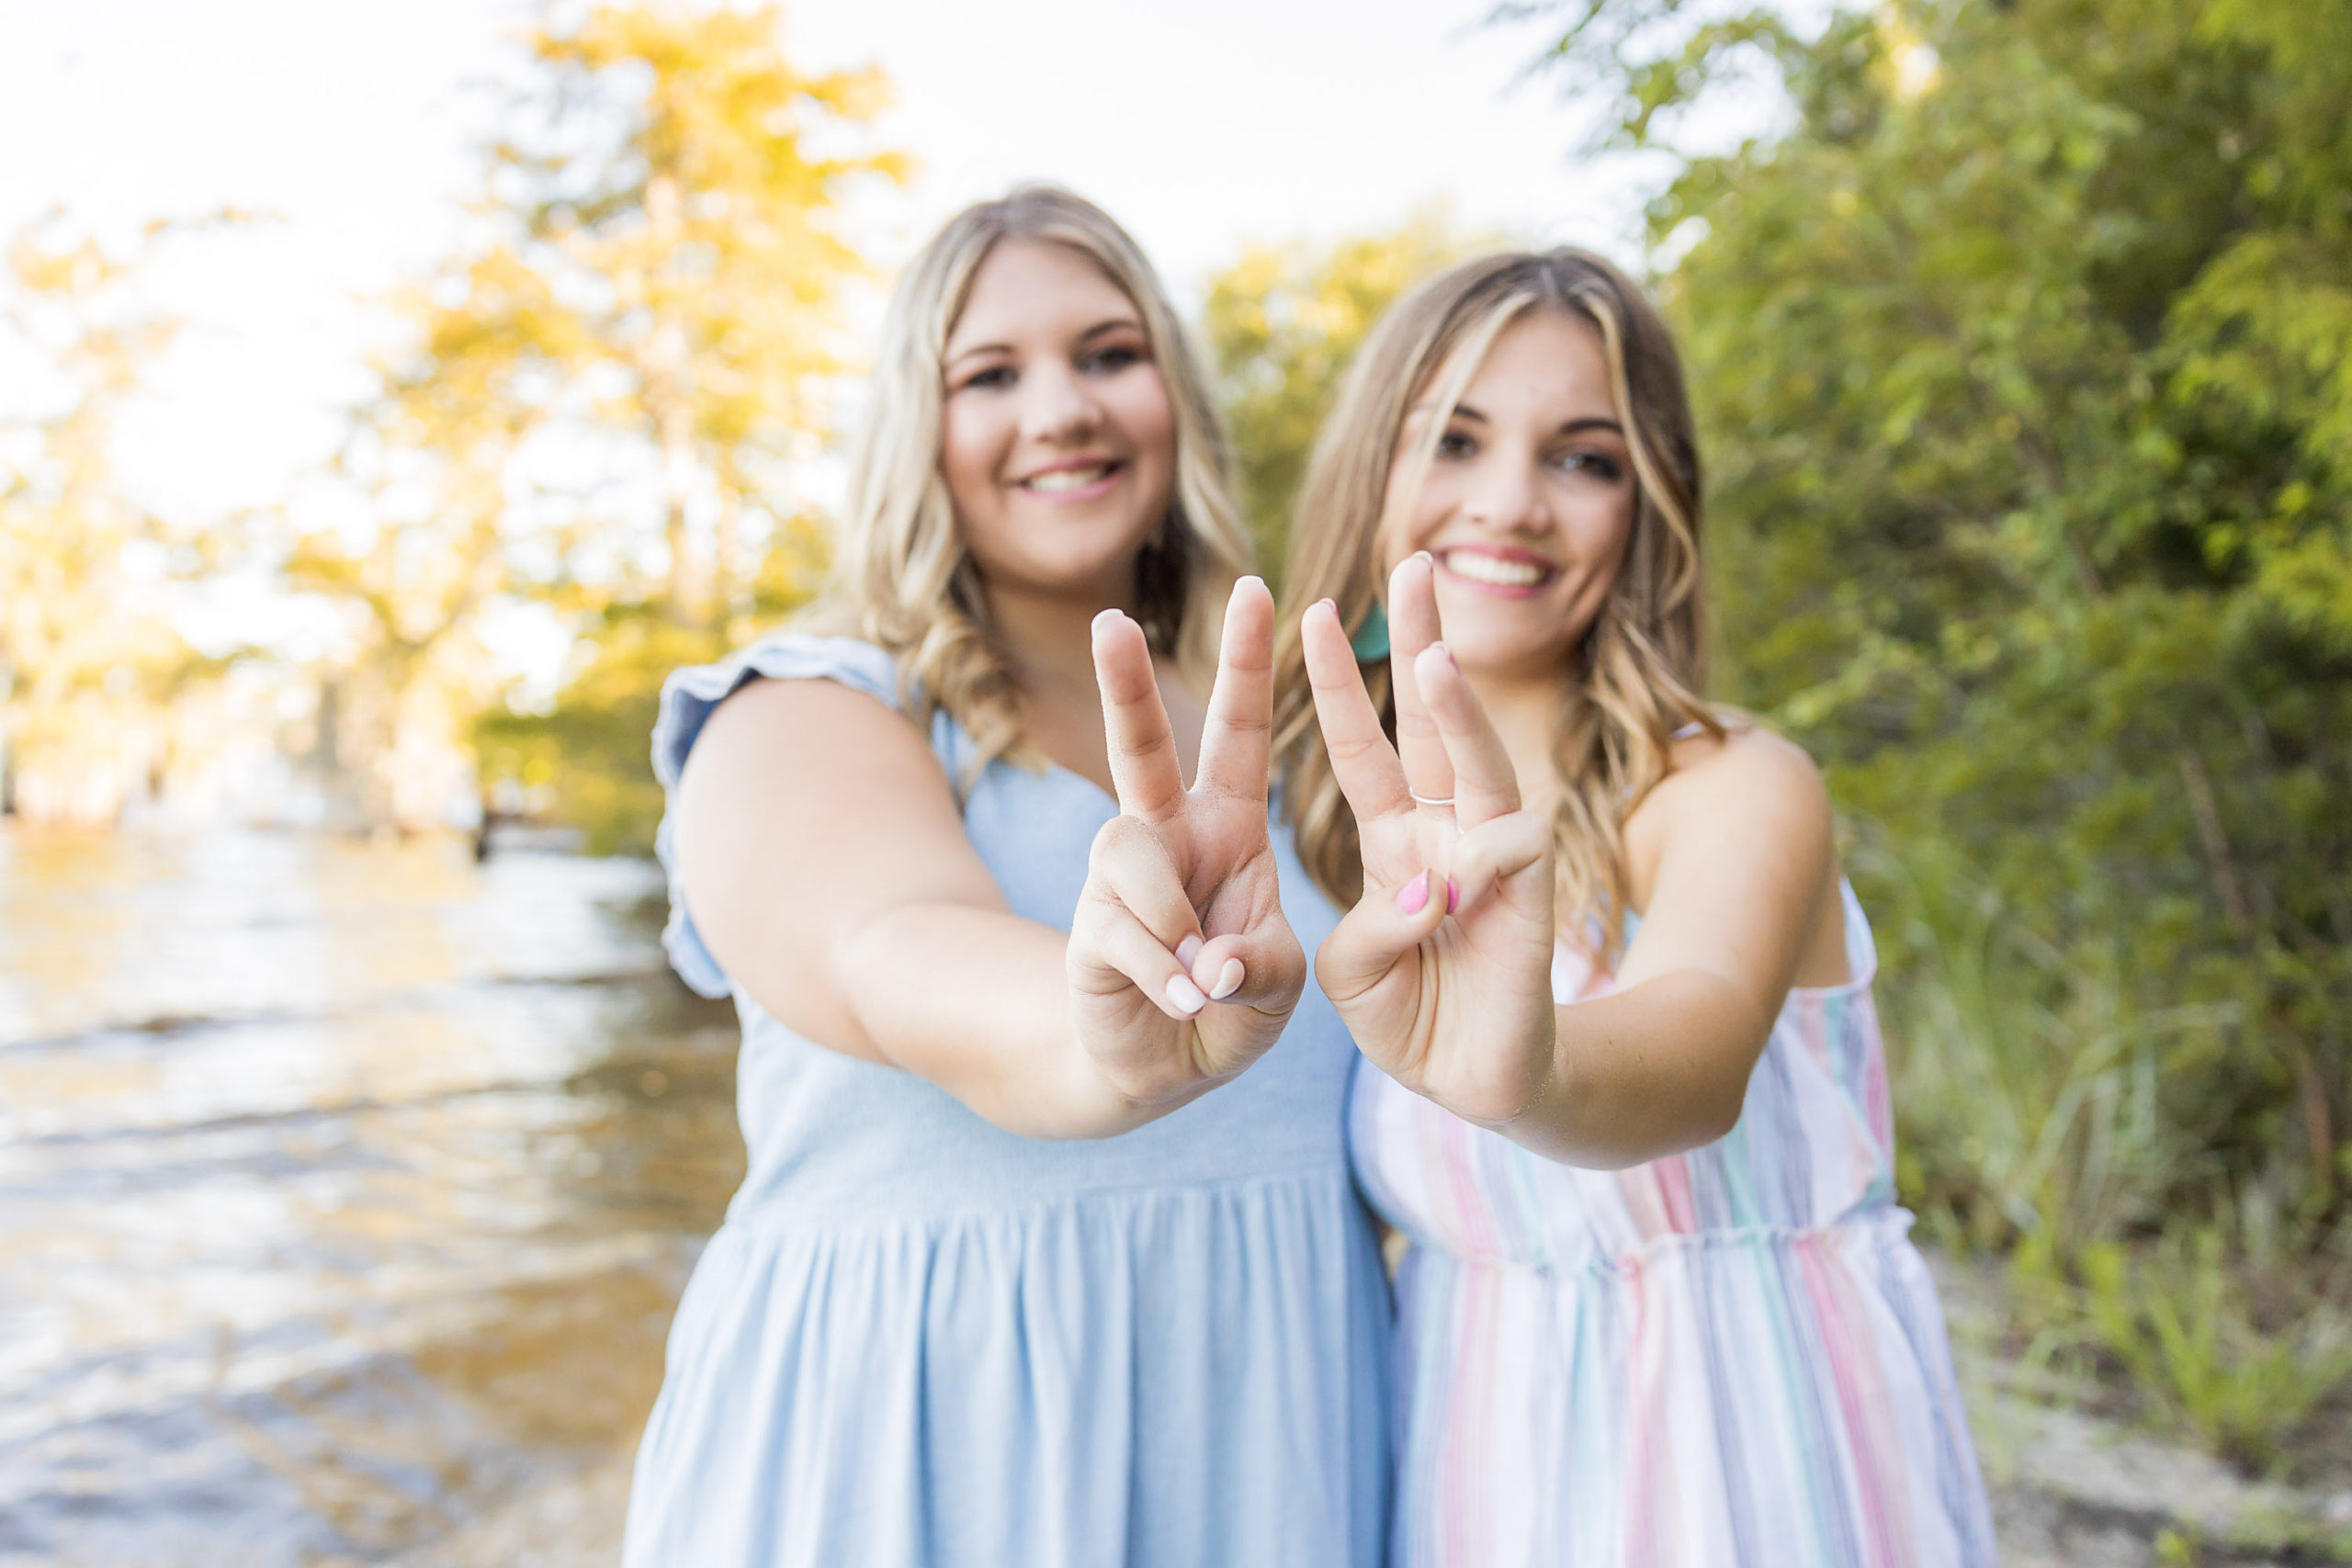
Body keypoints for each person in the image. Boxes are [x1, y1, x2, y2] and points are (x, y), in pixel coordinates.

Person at [623, 186, 1389, 1567]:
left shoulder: (1283, 739)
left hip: (1276, 1452)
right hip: (922, 1460)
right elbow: (893, 944)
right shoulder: (803, 713)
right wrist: (1107, 1025)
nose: (1062, 410)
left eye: (1108, 353)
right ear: (916, 430)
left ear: (1174, 394)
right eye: (991, 374)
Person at [1270, 249, 1995, 1566]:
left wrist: (1525, 1058)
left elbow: (1695, 1054)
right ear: (1370, 473)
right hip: (1481, 1470)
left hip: (1755, 1464)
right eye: (1454, 440)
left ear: (1647, 504)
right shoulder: (1332, 828)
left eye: (1584, 458)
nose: (1509, 505)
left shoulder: (1730, 786)